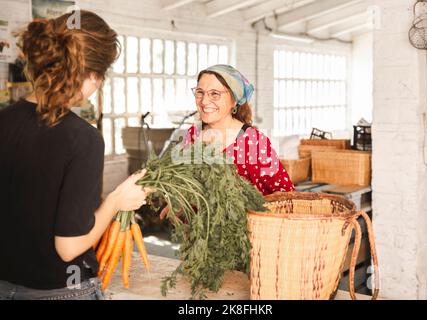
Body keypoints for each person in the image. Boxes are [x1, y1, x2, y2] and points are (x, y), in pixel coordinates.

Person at [0, 10, 152, 300]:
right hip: (59, 290)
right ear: (93, 76)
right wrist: (116, 200)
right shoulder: (83, 138)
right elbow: (69, 246)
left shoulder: (3, 121)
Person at [184, 64, 294, 195]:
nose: (204, 101)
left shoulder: (253, 142)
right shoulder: (193, 133)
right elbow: (186, 183)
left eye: (214, 94)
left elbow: (286, 194)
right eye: (200, 92)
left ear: (234, 100)